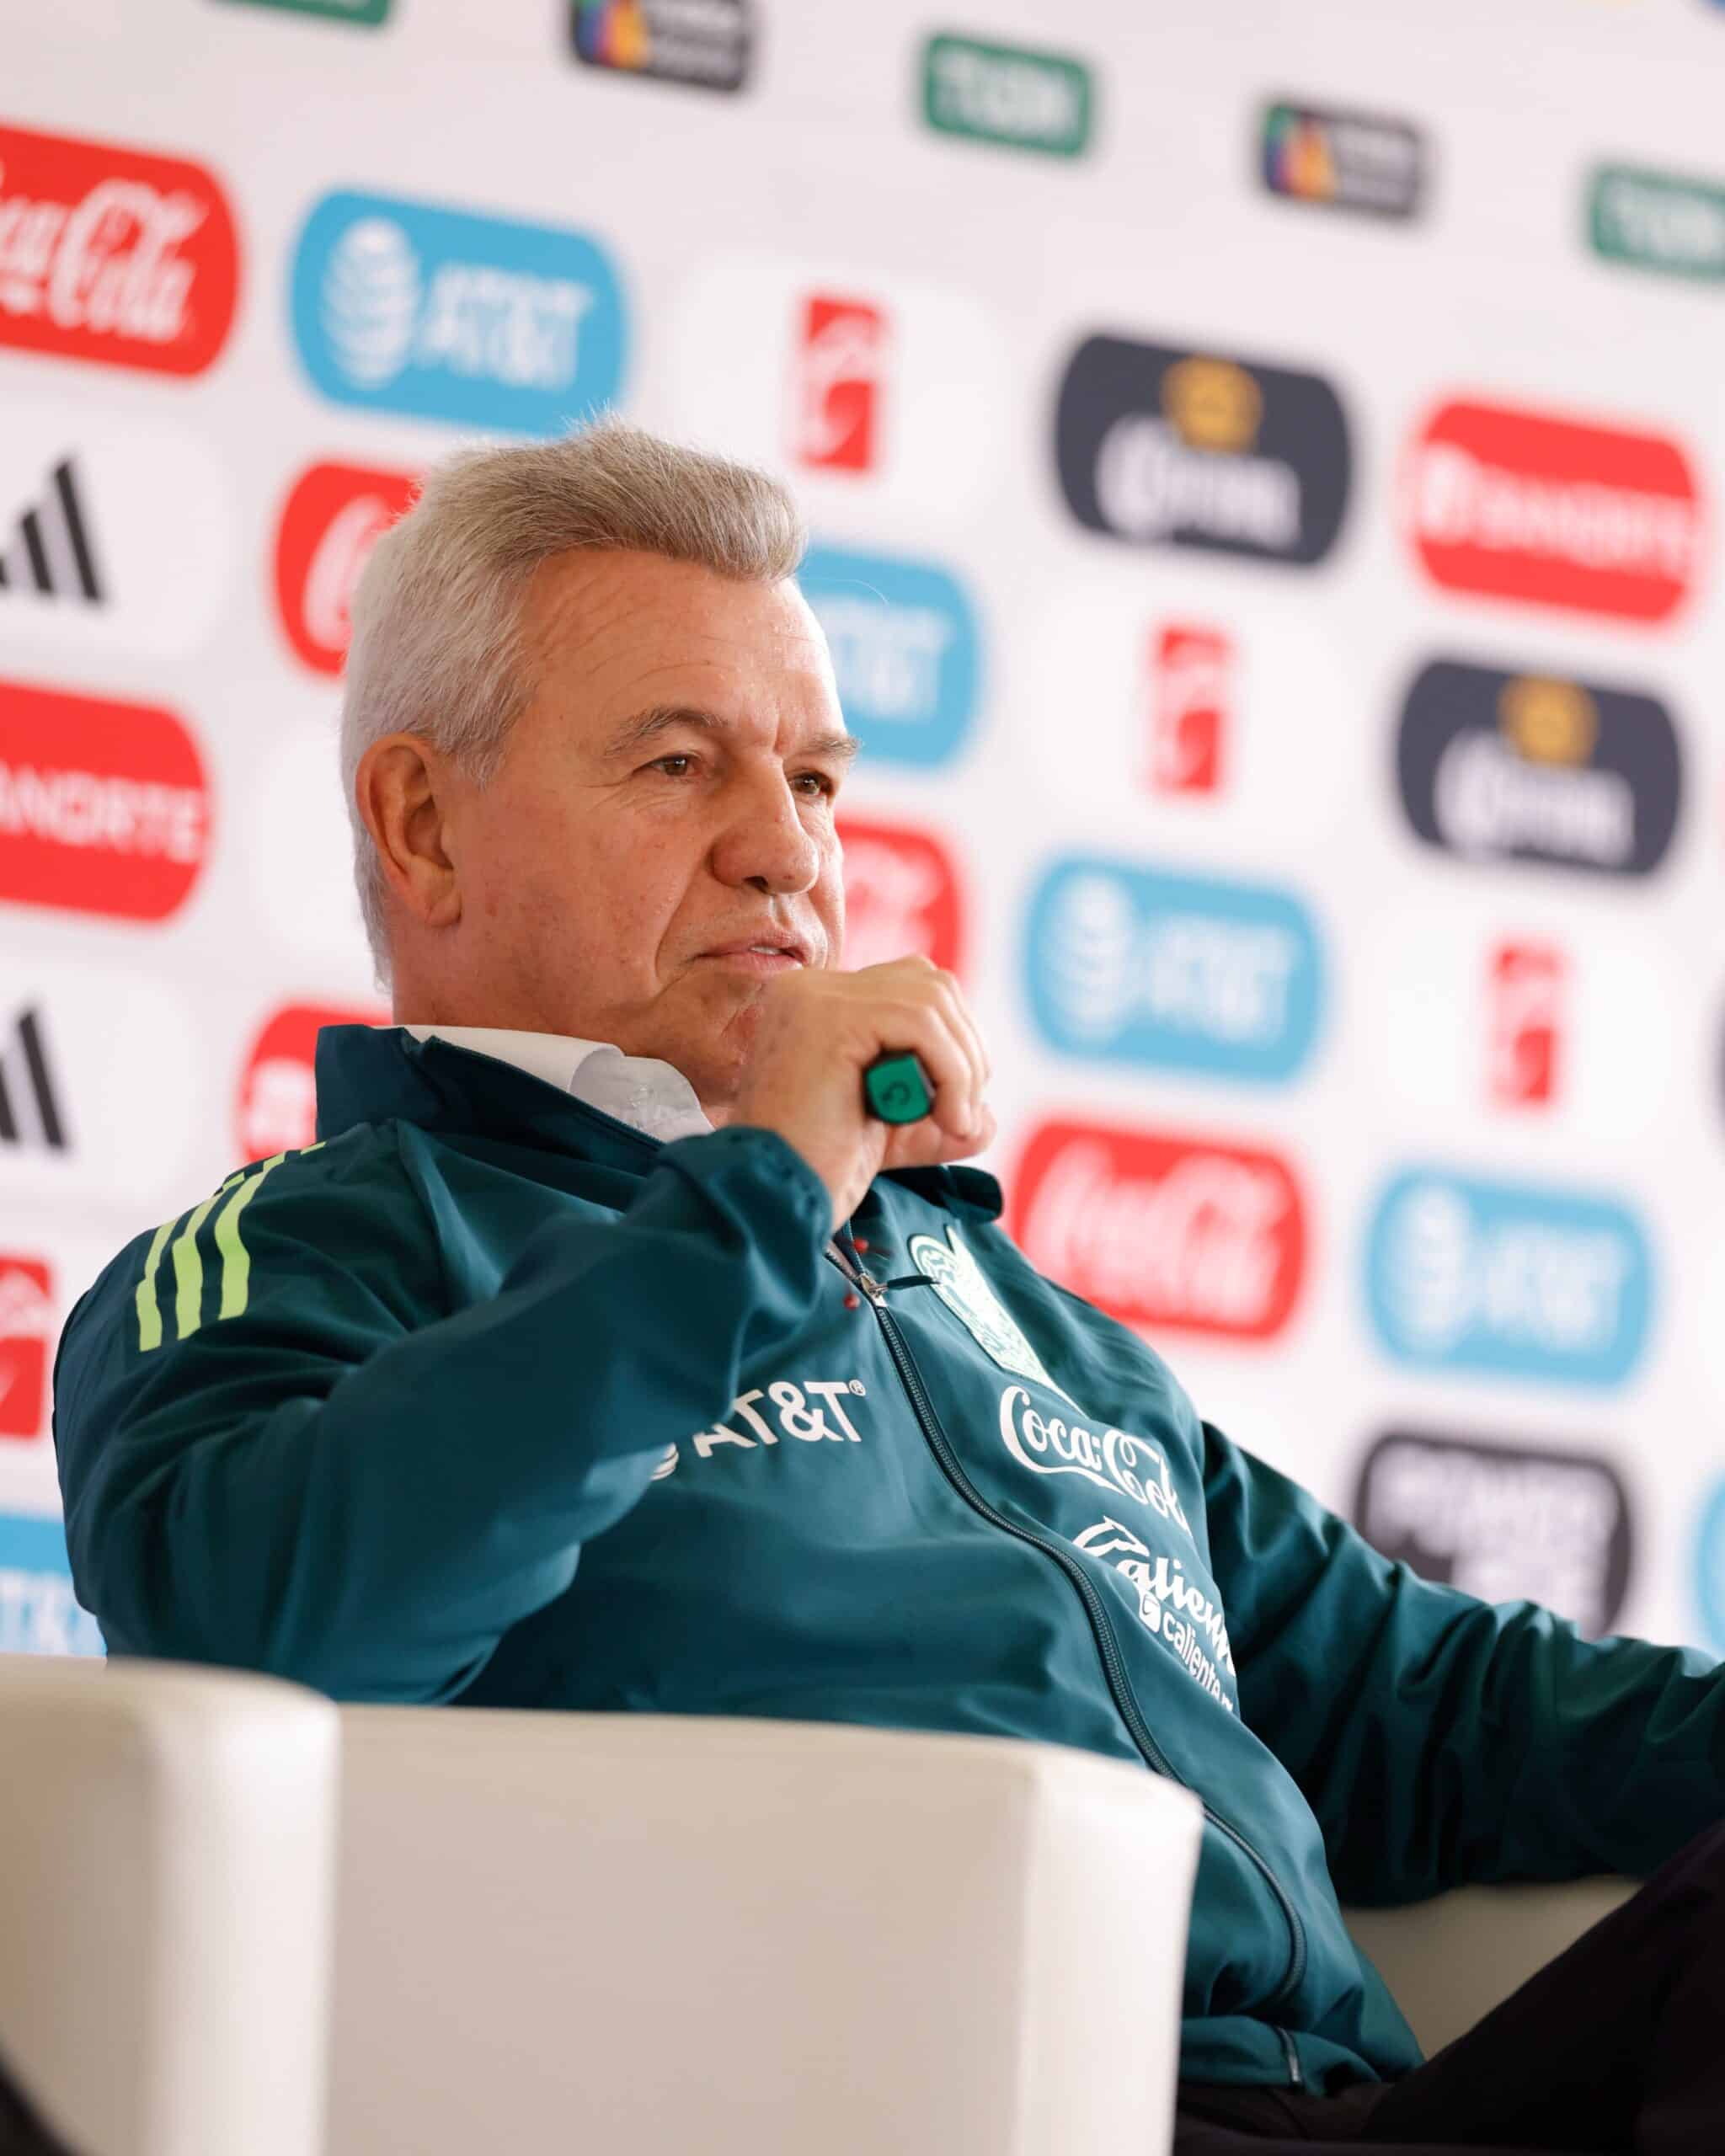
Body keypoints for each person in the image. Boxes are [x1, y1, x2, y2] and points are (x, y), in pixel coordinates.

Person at [51, 419, 1725, 2154]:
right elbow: (269, 1629)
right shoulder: (311, 1252)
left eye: (818, 780)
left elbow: (1425, 1705)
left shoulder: (983, 1290)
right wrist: (760, 1189)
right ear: (422, 822)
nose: (787, 850)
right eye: (681, 764)